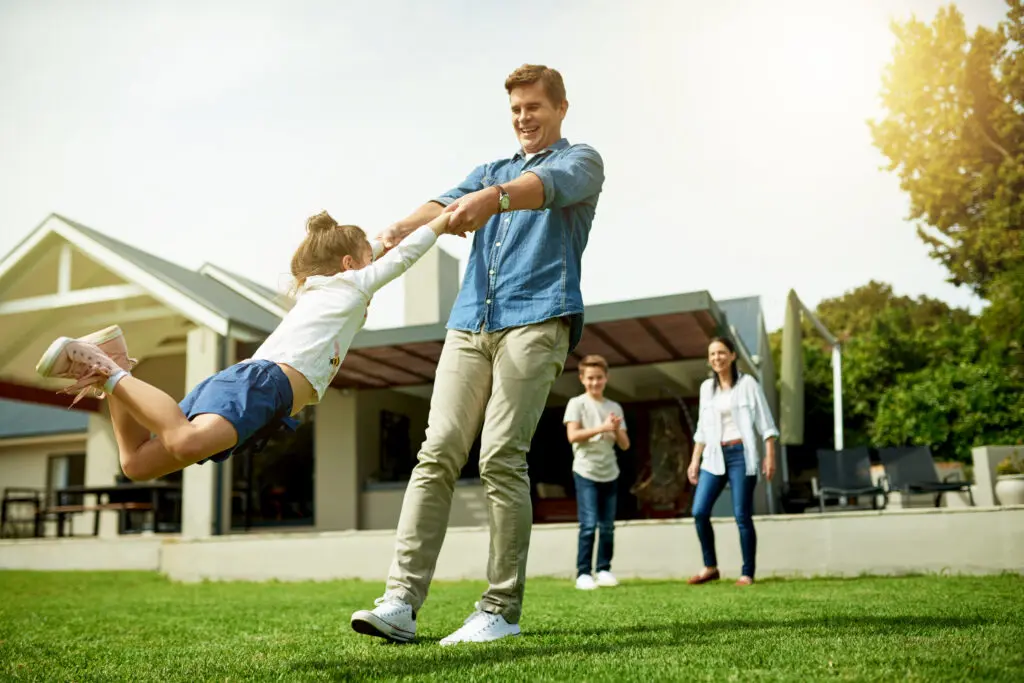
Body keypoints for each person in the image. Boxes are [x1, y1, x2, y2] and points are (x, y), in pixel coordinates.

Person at [351, 63, 604, 645]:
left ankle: (500, 611)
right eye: (516, 110)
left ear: (560, 108)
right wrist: (391, 233)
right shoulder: (489, 170)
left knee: (499, 457)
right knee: (436, 451)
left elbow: (539, 191)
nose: (523, 118)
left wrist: (492, 201)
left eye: (534, 107)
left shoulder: (582, 159)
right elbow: (440, 205)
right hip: (470, 323)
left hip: (537, 317)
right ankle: (400, 602)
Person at [35, 211, 455, 480]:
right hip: (265, 383)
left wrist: (384, 238)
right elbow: (400, 258)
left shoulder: (326, 284)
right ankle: (110, 372)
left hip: (258, 387)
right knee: (183, 441)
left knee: (137, 464)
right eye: (369, 260)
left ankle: (114, 359)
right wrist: (442, 222)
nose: (375, 264)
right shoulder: (350, 284)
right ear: (349, 265)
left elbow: (380, 249)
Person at [686, 336, 778, 587]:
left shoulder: (748, 384)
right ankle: (710, 567)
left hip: (741, 455)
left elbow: (766, 425)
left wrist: (770, 457)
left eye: (722, 352)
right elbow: (702, 430)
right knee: (699, 511)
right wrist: (695, 461)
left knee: (741, 515)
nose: (717, 358)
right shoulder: (707, 388)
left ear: (733, 355)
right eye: (712, 354)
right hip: (713, 456)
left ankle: (747, 572)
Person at [563, 354, 629, 590]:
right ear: (582, 378)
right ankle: (583, 573)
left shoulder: (614, 406)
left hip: (610, 472)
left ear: (606, 378)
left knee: (608, 526)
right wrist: (602, 427)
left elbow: (625, 444)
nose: (595, 382)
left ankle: (604, 569)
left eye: (599, 378)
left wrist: (615, 428)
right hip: (585, 471)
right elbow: (573, 436)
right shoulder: (576, 404)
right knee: (589, 524)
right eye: (590, 378)